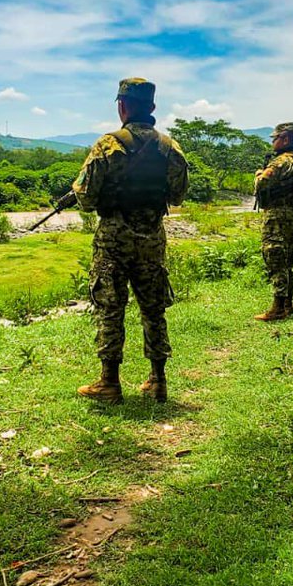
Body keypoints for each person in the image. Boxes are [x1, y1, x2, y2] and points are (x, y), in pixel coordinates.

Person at [71, 78, 189, 403]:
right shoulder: (170, 148)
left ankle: (109, 382)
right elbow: (178, 195)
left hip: (114, 239)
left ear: (122, 105)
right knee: (153, 308)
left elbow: (85, 197)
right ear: (151, 108)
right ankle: (158, 380)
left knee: (110, 306)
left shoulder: (108, 145)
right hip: (152, 238)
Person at [253, 122, 293, 321]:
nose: (273, 142)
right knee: (288, 261)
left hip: (277, 216)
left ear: (285, 139)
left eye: (275, 138)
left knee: (274, 257)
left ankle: (277, 308)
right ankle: (288, 306)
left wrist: (258, 174)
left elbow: (262, 183)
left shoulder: (281, 162)